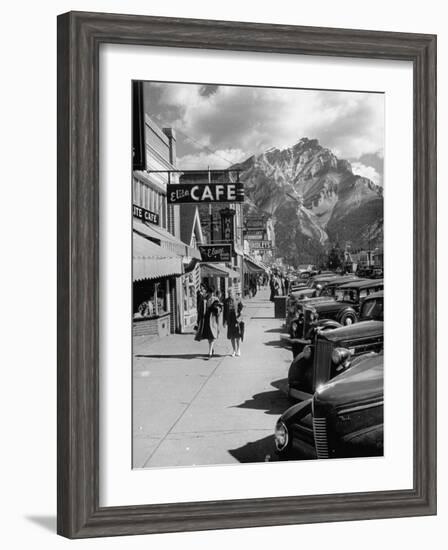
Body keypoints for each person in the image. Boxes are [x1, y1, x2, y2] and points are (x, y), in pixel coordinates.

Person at [196, 285, 223, 358]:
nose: (210, 294)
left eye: (211, 293)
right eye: (209, 293)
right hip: (207, 319)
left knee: (212, 335)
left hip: (213, 319)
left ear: (213, 293)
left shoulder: (216, 299)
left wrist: (216, 308)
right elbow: (201, 309)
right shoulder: (205, 299)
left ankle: (210, 352)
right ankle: (211, 348)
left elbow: (219, 310)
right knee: (209, 336)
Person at [223, 289, 244, 357]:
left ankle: (238, 349)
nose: (229, 294)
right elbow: (224, 312)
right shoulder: (226, 301)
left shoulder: (237, 299)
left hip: (236, 320)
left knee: (237, 336)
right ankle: (234, 350)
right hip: (230, 320)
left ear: (233, 293)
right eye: (228, 293)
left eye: (231, 293)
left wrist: (240, 312)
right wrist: (224, 321)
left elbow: (241, 307)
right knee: (232, 336)